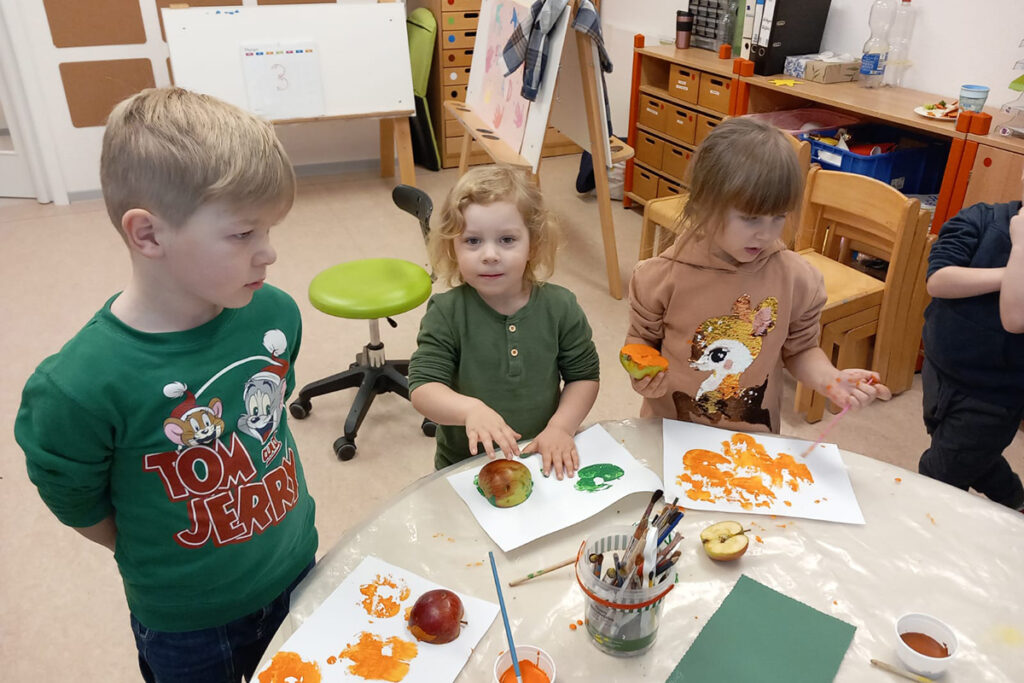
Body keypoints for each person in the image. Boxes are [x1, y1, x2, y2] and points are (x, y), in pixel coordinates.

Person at [14, 87, 317, 683]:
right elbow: (77, 502)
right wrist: (172, 558)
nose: (269, 254)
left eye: (270, 230)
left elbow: (271, 417)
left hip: (297, 568)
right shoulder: (79, 384)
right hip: (189, 626)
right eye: (243, 234)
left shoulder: (274, 315)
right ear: (149, 235)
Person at [625, 117, 890, 433]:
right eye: (750, 218)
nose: (766, 234)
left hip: (752, 439)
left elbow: (801, 350)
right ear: (704, 205)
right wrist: (642, 376)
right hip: (668, 430)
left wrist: (830, 379)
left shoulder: (796, 279)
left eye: (778, 217)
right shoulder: (660, 277)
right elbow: (640, 340)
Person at [408, 165, 600, 479]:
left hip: (543, 454)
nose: (490, 255)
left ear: (533, 244)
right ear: (452, 247)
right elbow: (423, 388)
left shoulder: (561, 306)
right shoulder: (446, 312)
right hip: (464, 465)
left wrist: (561, 428)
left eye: (507, 239)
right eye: (472, 241)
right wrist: (470, 410)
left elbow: (584, 377)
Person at [919, 168, 1024, 512]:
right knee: (968, 452)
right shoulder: (982, 218)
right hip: (941, 367)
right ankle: (1016, 501)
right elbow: (938, 280)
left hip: (995, 395)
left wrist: (1022, 248)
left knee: (938, 473)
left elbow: (1015, 318)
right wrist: (1010, 274)